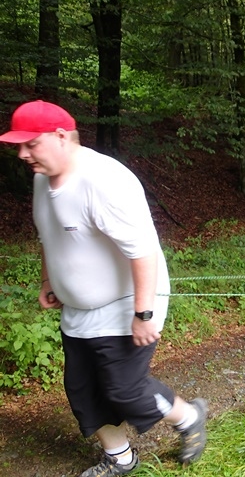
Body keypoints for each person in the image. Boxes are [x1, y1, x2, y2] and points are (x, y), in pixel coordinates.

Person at [0, 100, 208, 476]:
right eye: (18, 145)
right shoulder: (41, 178)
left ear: (61, 137)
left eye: (30, 143)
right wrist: (49, 280)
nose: (21, 153)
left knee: (125, 389)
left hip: (128, 302)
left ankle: (190, 416)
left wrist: (143, 314)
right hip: (78, 309)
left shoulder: (104, 181)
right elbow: (48, 236)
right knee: (83, 390)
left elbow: (142, 251)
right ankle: (120, 458)